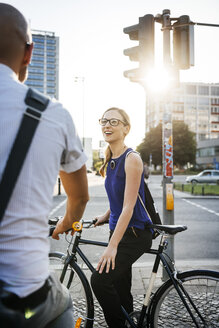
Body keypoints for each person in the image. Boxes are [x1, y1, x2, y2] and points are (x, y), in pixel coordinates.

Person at [0, 3, 89, 328]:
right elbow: (78, 198)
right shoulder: (53, 115)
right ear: (28, 53)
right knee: (62, 303)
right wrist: (66, 222)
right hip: (26, 298)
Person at [91, 107, 153, 328]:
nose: (107, 125)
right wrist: (105, 216)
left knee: (99, 281)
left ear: (126, 128)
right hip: (118, 230)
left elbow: (128, 207)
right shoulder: (111, 160)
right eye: (104, 120)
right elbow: (118, 200)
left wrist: (112, 246)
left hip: (134, 233)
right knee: (120, 288)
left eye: (114, 122)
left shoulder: (132, 158)